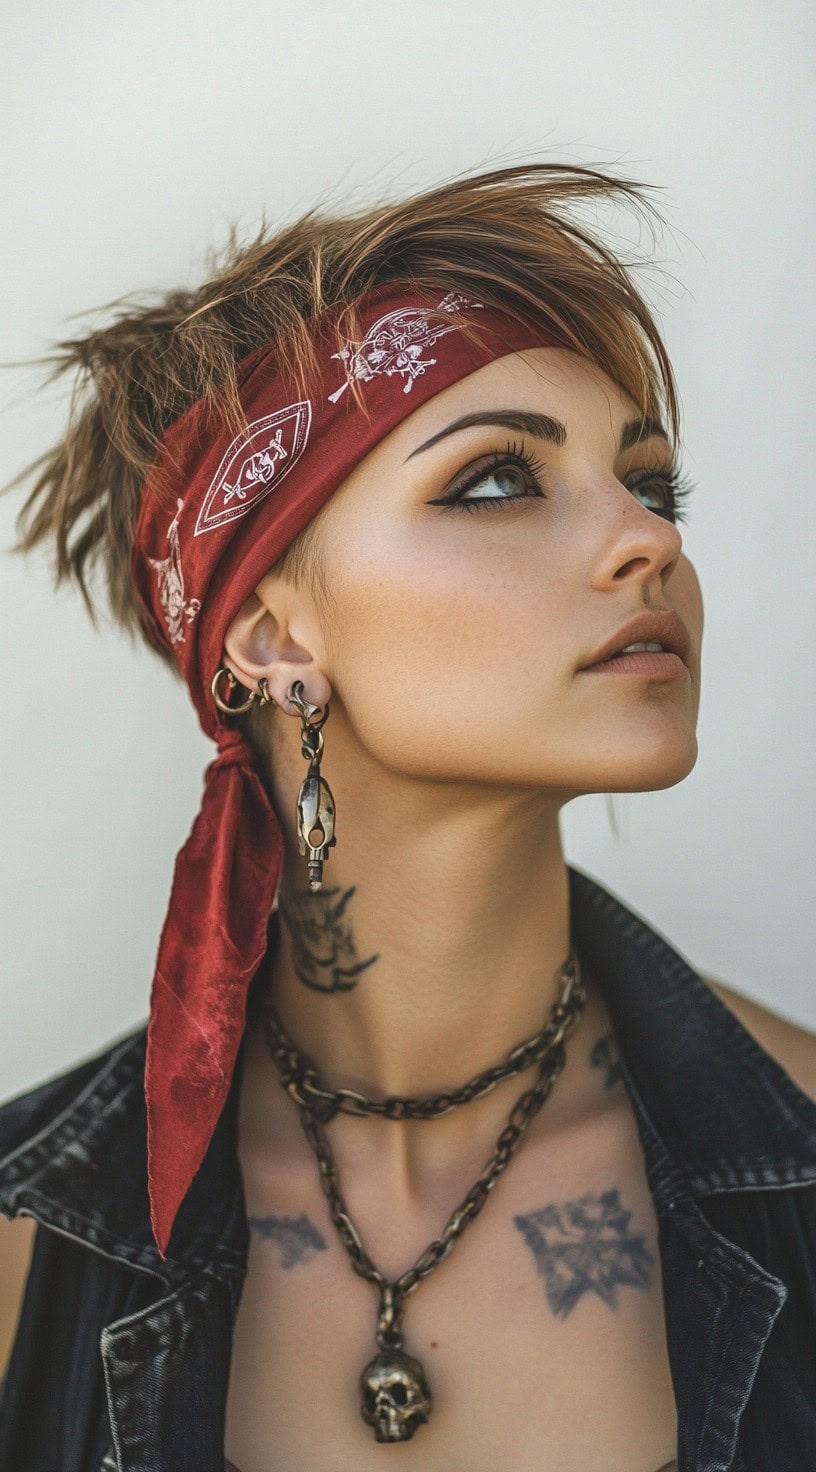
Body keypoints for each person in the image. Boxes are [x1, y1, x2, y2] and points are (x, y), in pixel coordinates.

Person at [0, 161, 814, 1472]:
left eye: (652, 486)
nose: (644, 541)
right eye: (496, 481)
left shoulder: (803, 1149)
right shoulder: (31, 1244)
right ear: (270, 633)